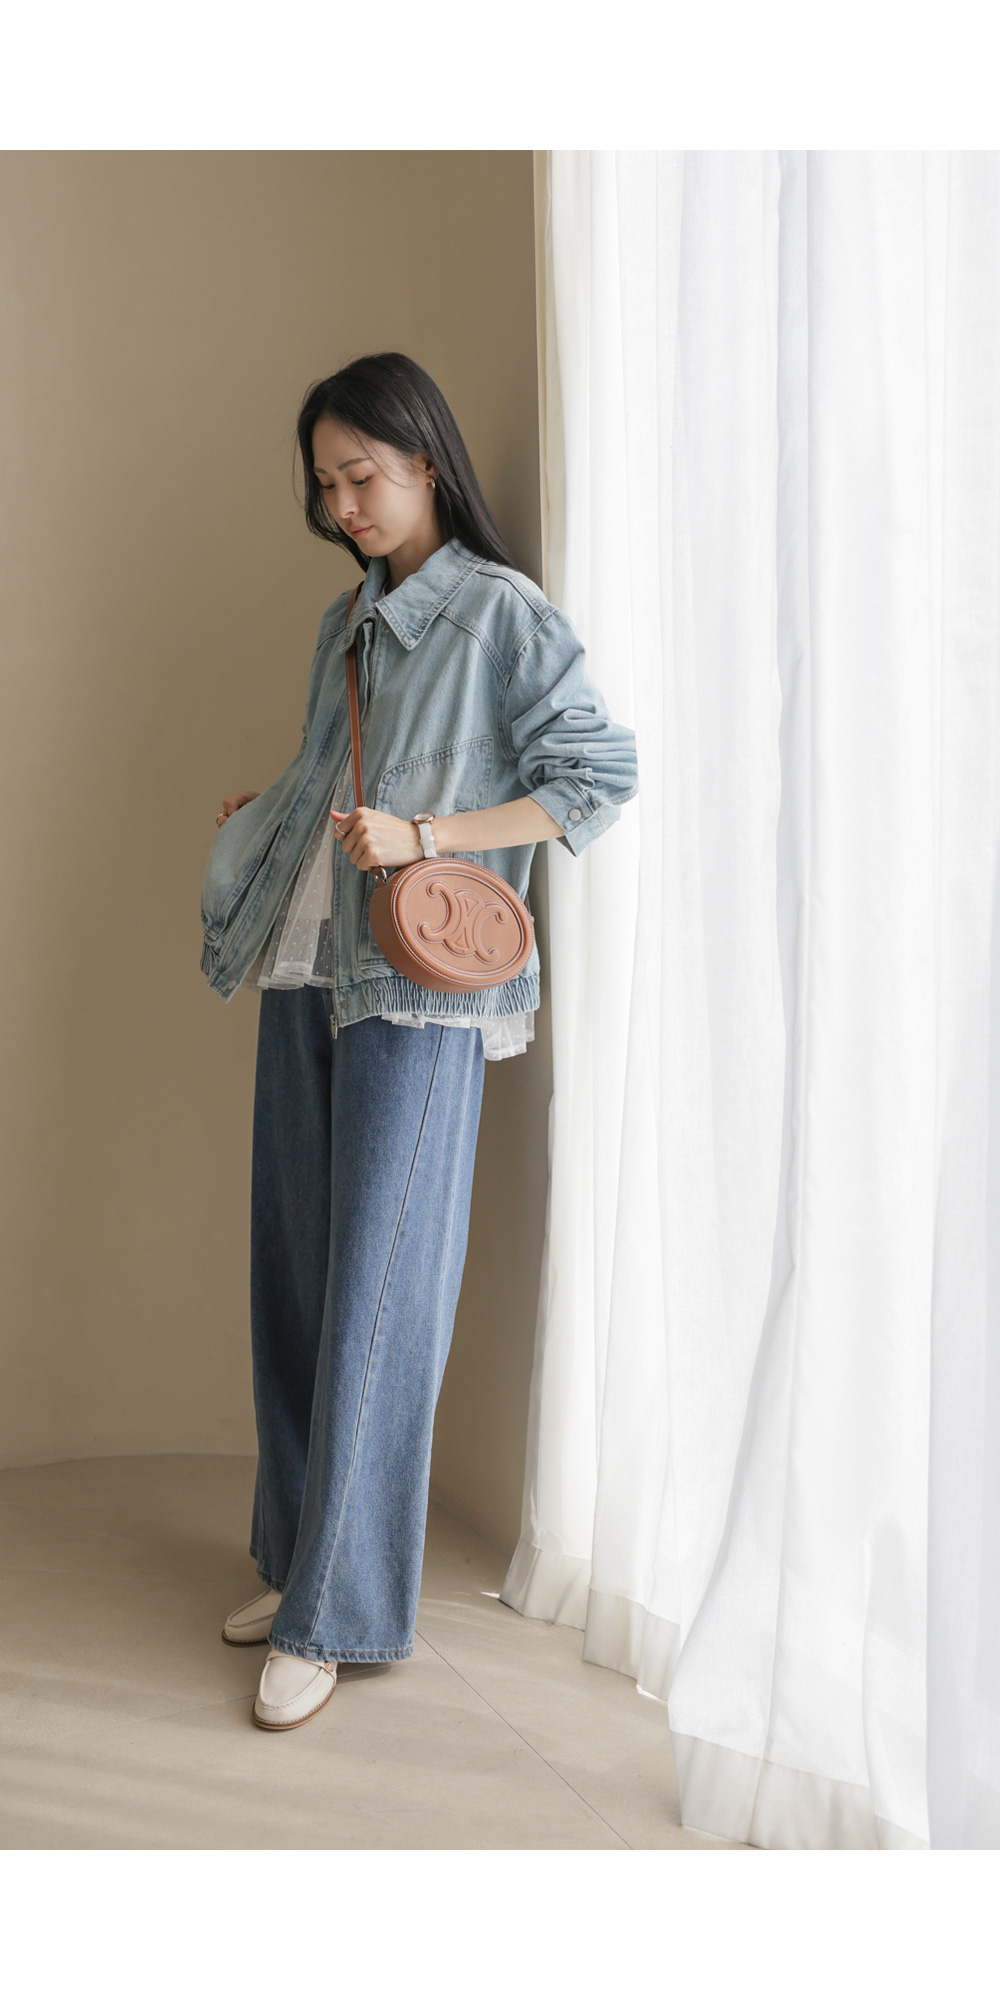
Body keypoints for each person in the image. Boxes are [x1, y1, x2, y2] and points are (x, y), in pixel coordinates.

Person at [200, 351, 638, 1730]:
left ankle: (340, 1614)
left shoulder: (500, 614)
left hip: (420, 989)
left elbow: (595, 775)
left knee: (380, 1299)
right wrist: (282, 808)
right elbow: (347, 774)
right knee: (294, 1277)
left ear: (426, 463)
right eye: (325, 485)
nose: (343, 506)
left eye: (363, 476)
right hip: (307, 965)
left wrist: (428, 837)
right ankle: (297, 1558)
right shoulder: (347, 618)